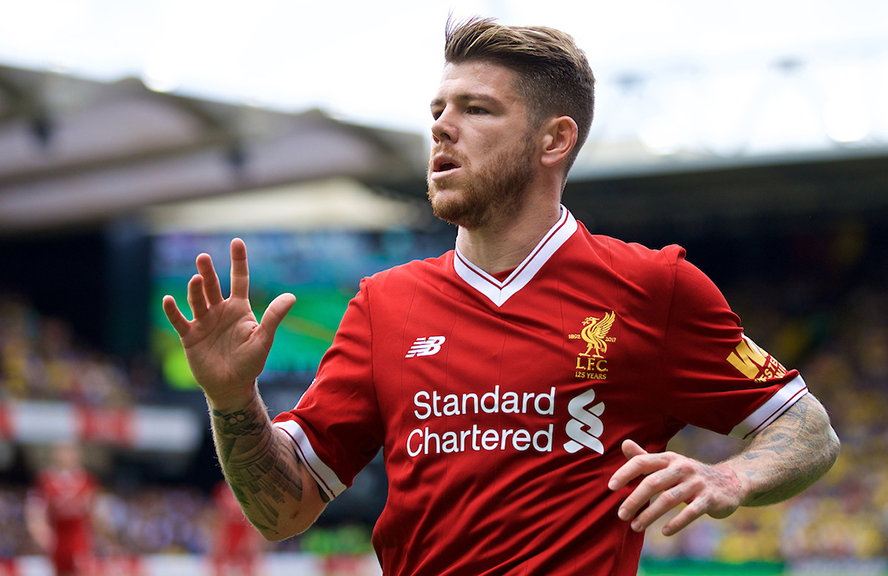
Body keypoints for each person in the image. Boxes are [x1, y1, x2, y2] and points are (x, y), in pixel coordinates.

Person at [163, 17, 840, 575]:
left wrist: (729, 479)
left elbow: (807, 429)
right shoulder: (382, 306)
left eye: (476, 109)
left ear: (555, 139)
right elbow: (283, 509)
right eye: (437, 110)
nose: (441, 127)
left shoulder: (650, 287)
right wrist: (232, 398)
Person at [25, 442, 100, 576]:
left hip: (78, 537)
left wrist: (94, 536)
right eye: (62, 451)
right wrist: (40, 533)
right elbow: (35, 510)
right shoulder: (45, 480)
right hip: (57, 536)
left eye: (69, 451)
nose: (66, 455)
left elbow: (94, 511)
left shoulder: (86, 480)